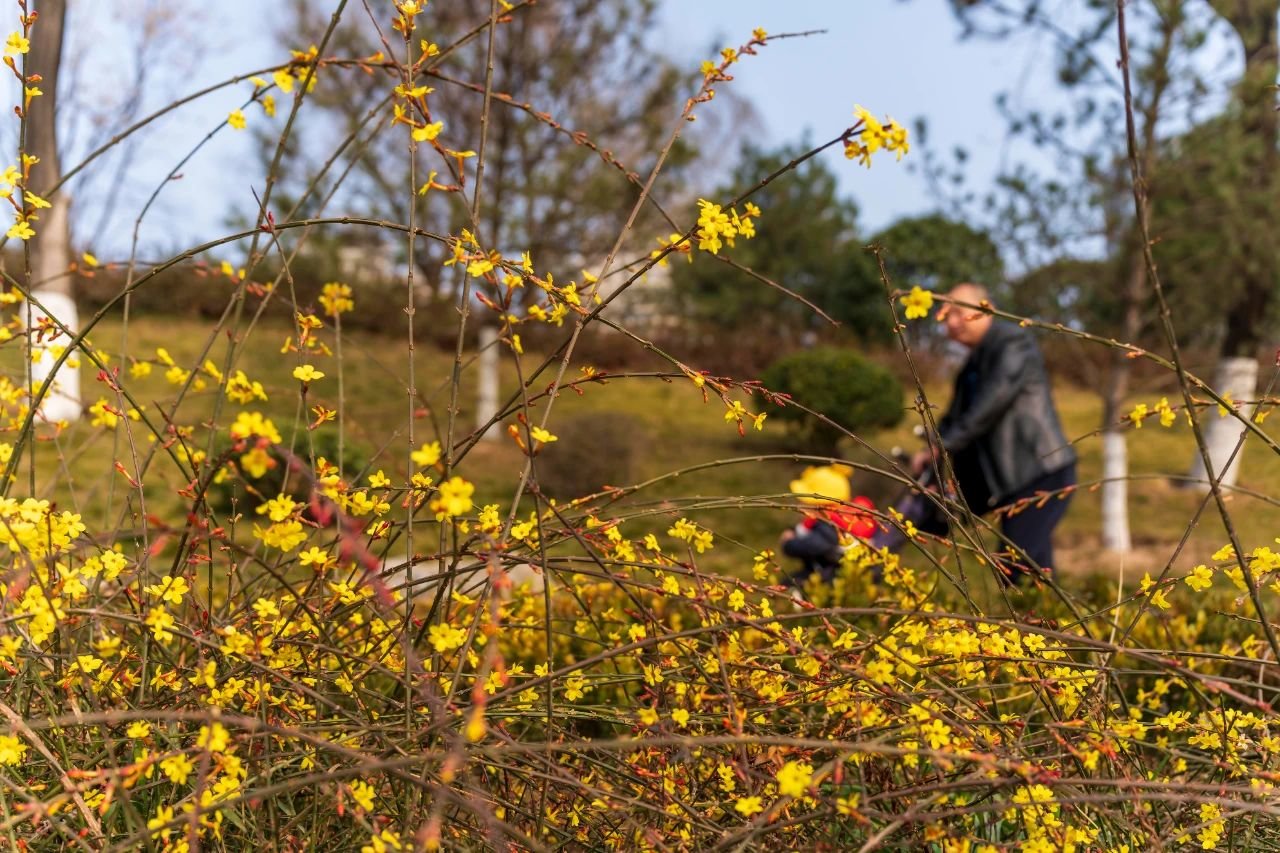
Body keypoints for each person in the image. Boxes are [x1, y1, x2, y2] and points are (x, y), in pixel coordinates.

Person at [894, 283, 1077, 584]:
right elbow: (955, 417)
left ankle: (1040, 622)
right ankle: (1048, 620)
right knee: (1030, 563)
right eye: (945, 317)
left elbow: (990, 404)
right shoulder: (973, 363)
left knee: (1018, 562)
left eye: (958, 313)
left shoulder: (1013, 343)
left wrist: (943, 446)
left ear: (985, 309)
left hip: (1041, 472)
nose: (950, 324)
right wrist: (931, 449)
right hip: (1010, 481)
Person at [779, 464, 876, 587]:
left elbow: (811, 546)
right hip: (832, 573)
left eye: (804, 502)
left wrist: (787, 543)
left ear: (821, 505)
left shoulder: (829, 527)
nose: (799, 506)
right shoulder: (843, 519)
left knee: (788, 584)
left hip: (832, 579)